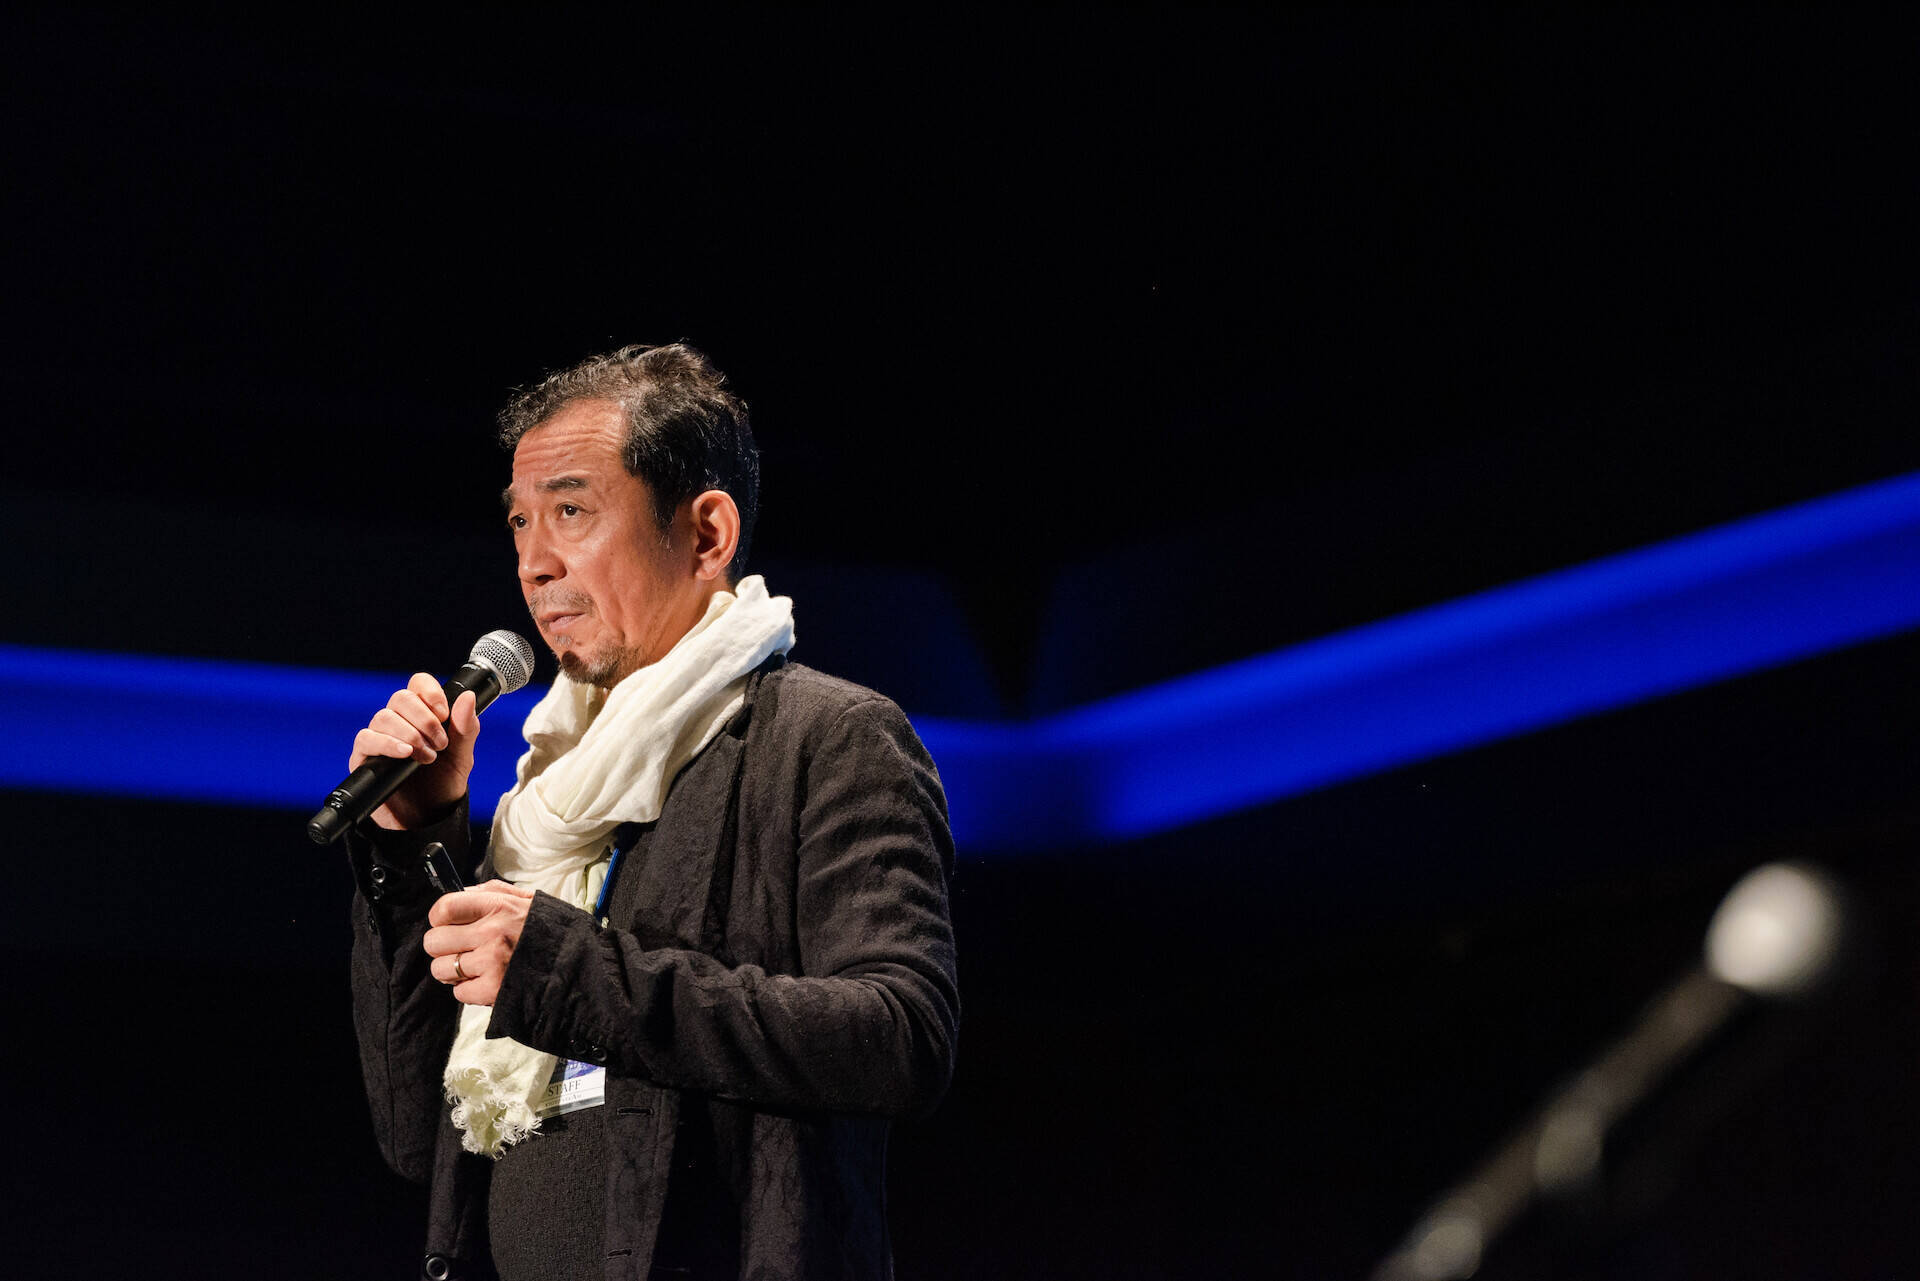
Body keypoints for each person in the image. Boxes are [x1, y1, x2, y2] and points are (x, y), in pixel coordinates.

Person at [343, 343, 960, 1281]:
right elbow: (414, 1133)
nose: (533, 563)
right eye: (519, 523)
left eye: (572, 511)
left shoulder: (829, 738)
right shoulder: (541, 794)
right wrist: (416, 835)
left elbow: (901, 1036)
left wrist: (569, 972)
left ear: (707, 534)